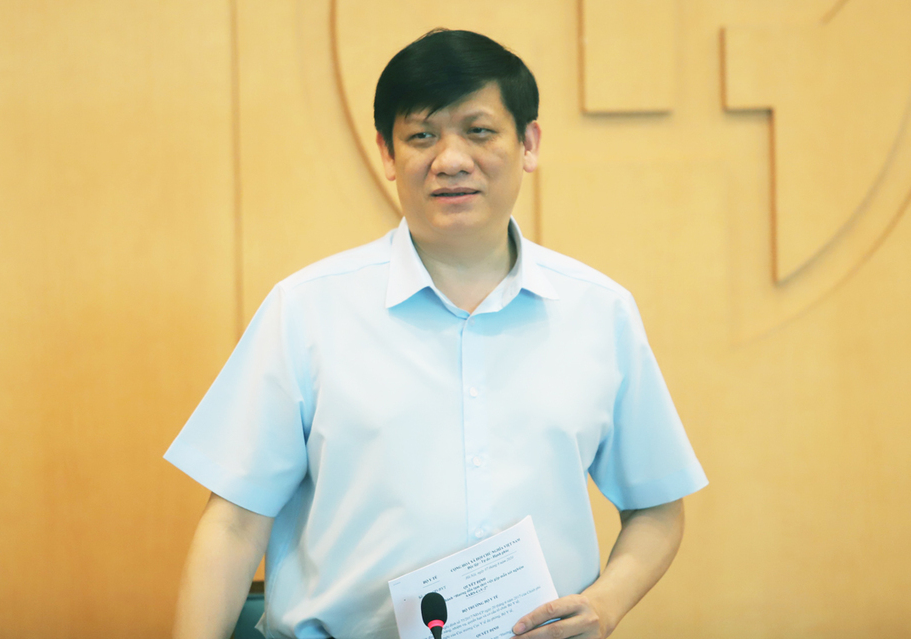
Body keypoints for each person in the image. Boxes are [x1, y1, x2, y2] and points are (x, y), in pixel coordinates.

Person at [166, 28, 707, 639]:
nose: (450, 160)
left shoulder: (599, 311)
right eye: (422, 135)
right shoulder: (306, 310)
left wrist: (606, 603)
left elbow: (657, 507)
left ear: (528, 143)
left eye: (479, 131)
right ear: (387, 153)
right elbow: (234, 524)